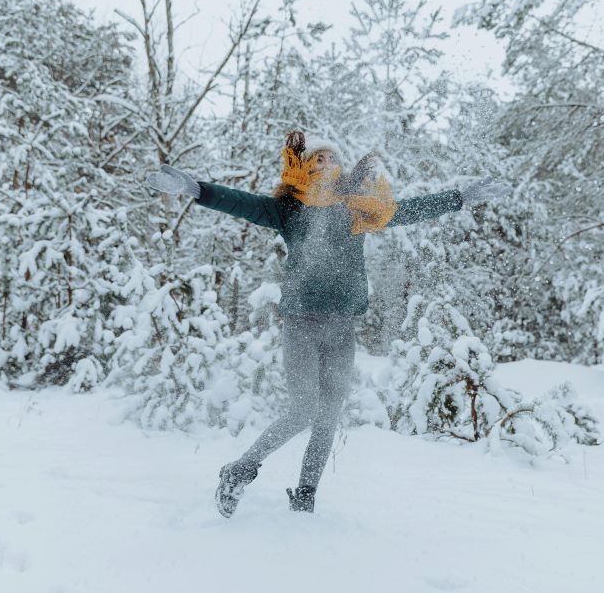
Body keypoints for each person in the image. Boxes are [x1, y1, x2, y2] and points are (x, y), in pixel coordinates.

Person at [145, 131, 510, 516]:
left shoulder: (360, 211)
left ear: (341, 169)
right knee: (303, 409)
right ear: (304, 167)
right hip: (302, 321)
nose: (323, 164)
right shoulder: (289, 211)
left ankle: (306, 496)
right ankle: (239, 470)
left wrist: (459, 199)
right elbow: (240, 203)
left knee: (330, 413)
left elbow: (409, 210)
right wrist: (196, 189)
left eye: (330, 159)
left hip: (342, 327)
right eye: (316, 159)